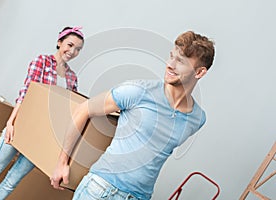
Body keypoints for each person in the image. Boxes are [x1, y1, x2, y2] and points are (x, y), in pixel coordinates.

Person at [51, 30, 215, 200]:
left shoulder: (197, 119)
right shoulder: (139, 91)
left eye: (180, 61)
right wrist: (62, 163)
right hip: (101, 189)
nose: (170, 64)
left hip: (139, 196)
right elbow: (83, 109)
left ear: (199, 72)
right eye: (171, 56)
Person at [0, 26, 84, 200]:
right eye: (70, 45)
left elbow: (69, 110)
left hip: (44, 138)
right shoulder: (41, 61)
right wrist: (11, 123)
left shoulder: (72, 78)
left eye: (78, 49)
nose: (72, 51)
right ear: (59, 42)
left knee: (12, 181)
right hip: (22, 126)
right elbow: (26, 93)